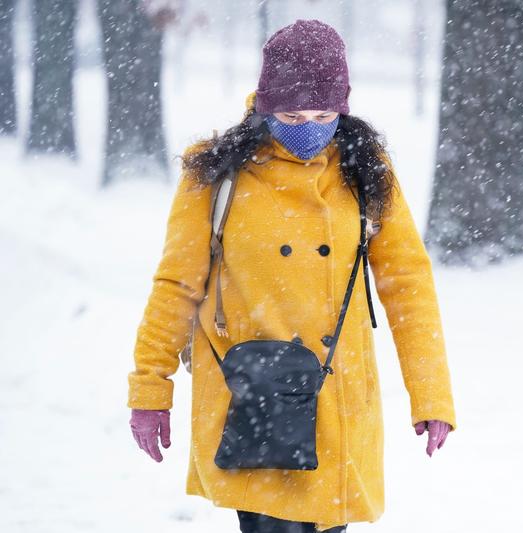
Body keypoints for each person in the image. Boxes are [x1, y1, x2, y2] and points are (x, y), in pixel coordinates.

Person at [127, 19, 457, 533]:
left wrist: (431, 395)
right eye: (292, 113)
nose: (309, 127)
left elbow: (408, 286)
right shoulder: (215, 173)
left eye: (324, 114)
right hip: (253, 397)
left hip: (335, 395)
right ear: (264, 103)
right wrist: (150, 390)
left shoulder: (365, 170)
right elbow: (176, 285)